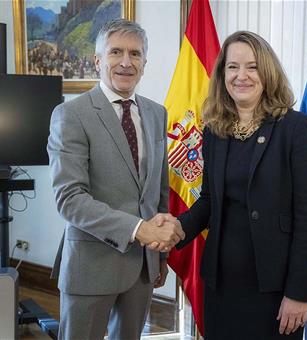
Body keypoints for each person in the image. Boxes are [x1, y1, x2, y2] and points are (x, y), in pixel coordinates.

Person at [172, 31, 307, 339]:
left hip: (275, 288)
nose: (242, 76)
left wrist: (298, 292)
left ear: (267, 72)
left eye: (252, 67)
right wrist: (174, 229)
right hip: (221, 284)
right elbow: (210, 201)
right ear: (222, 74)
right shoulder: (215, 130)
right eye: (232, 67)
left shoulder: (293, 128)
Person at [47, 19, 184, 340]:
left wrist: (160, 253)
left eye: (135, 54)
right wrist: (139, 229)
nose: (126, 62)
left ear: (144, 63)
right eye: (116, 52)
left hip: (142, 268)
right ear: (97, 60)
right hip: (91, 266)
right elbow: (69, 199)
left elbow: (157, 190)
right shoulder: (71, 115)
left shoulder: (155, 113)